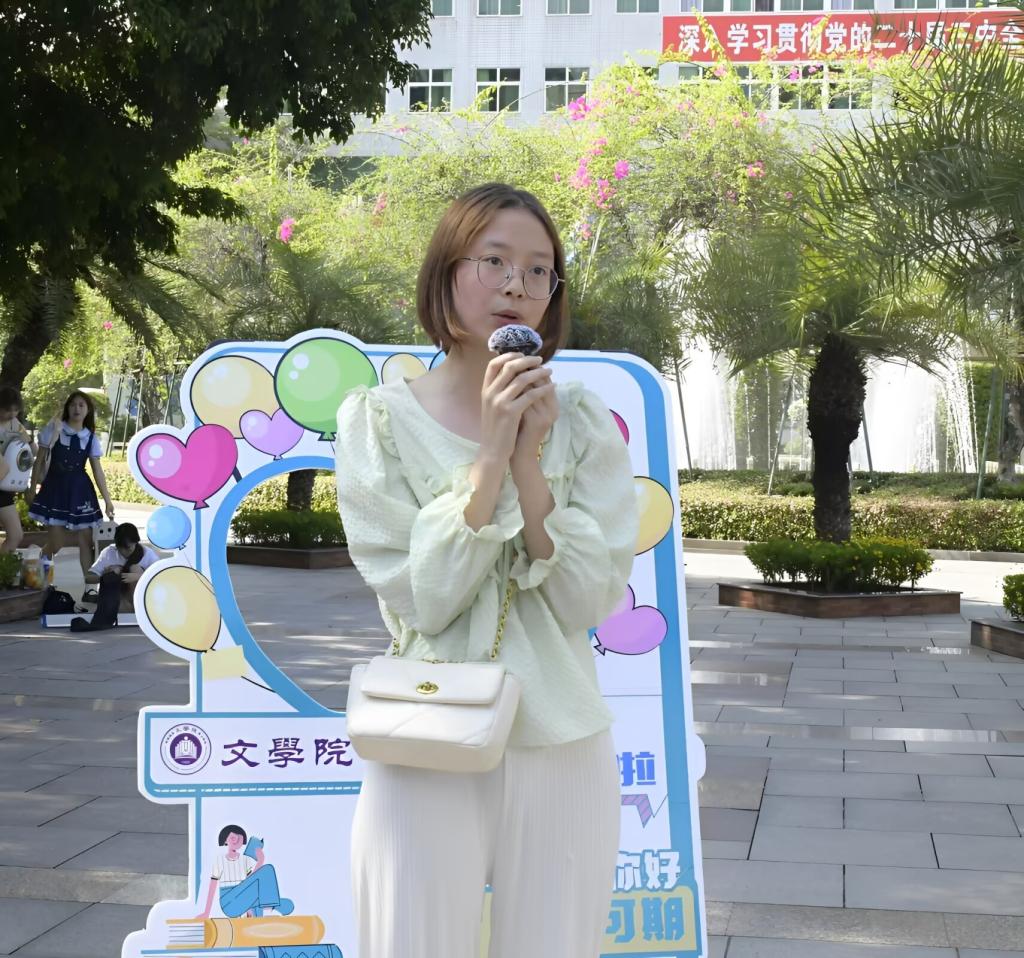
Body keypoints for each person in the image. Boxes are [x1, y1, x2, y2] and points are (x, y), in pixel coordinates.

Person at [335, 183, 639, 958]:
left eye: (539, 271)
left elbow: (588, 599)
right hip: (424, 732)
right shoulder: (377, 421)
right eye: (494, 260)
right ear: (445, 274)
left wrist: (529, 461)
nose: (516, 285)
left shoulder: (581, 421)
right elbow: (424, 598)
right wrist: (492, 453)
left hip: (562, 739)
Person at [26, 391, 115, 579]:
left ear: (88, 410)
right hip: (55, 490)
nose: (77, 409)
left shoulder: (90, 438)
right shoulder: (54, 429)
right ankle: (36, 570)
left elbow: (97, 471)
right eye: (73, 404)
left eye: (81, 405)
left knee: (86, 540)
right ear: (67, 408)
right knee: (56, 544)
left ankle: (90, 587)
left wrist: (108, 501)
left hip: (81, 492)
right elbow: (39, 461)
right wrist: (32, 488)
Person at [195, 825, 294, 920]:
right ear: (225, 840)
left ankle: (262, 912)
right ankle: (269, 907)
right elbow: (213, 885)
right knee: (267, 870)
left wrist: (248, 907)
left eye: (240, 839)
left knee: (285, 904)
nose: (236, 841)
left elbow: (251, 882)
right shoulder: (220, 860)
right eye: (233, 838)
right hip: (228, 902)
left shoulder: (246, 860)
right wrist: (206, 912)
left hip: (243, 897)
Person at [85, 522, 160, 611]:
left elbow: (161, 576)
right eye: (121, 548)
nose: (124, 552)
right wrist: (108, 575)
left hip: (141, 599)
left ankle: (138, 609)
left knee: (135, 568)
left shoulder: (147, 554)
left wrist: (139, 576)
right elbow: (88, 578)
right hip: (119, 599)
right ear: (116, 545)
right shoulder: (109, 552)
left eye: (128, 548)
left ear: (136, 542)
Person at [0, 386, 37, 553]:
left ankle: (4, 565)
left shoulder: (16, 424)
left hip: (5, 488)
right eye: (8, 410)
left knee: (16, 535)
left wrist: (27, 441)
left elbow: (33, 449)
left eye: (16, 410)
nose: (12, 414)